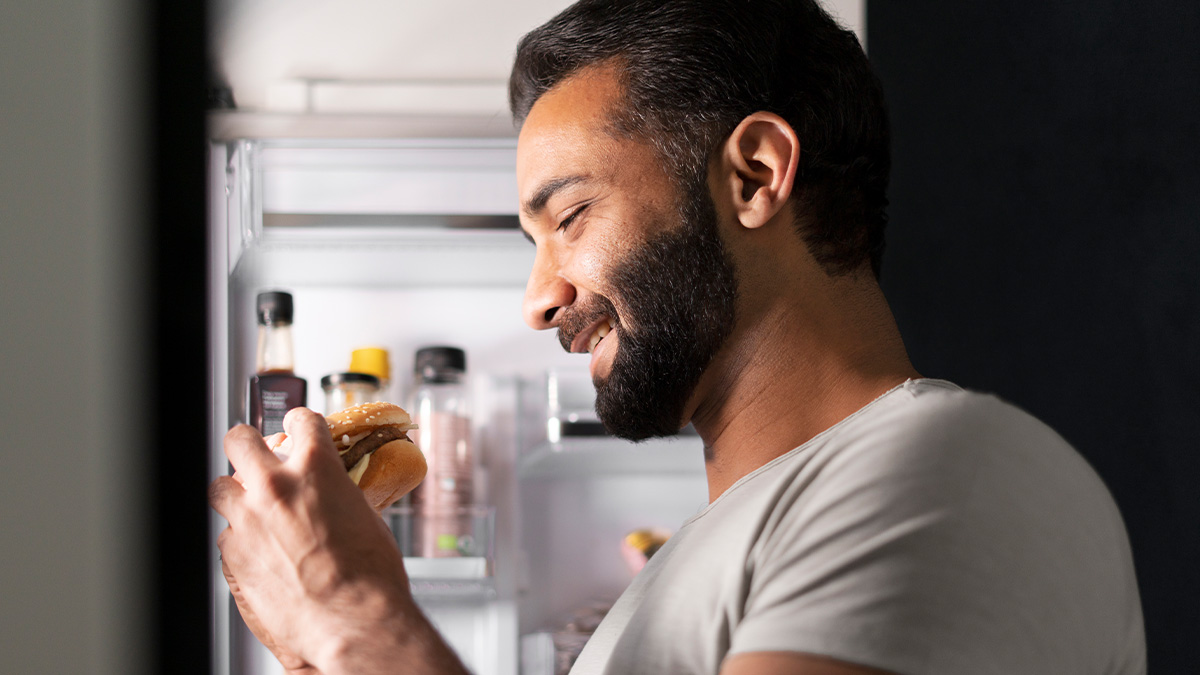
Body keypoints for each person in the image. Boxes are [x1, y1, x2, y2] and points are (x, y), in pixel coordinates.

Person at [209, 1, 1146, 673]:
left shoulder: (955, 473)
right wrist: (310, 643)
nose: (539, 298)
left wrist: (355, 618)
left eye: (570, 216)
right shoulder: (685, 575)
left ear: (754, 174)